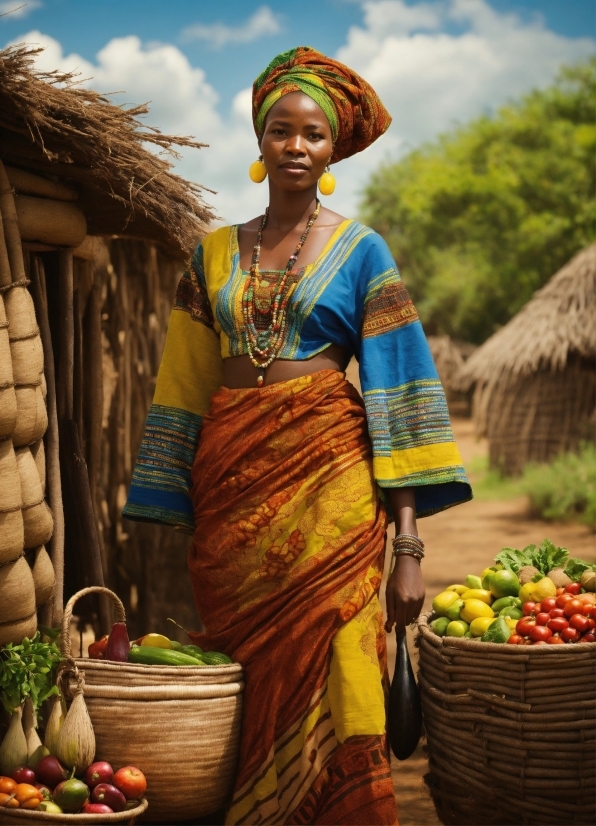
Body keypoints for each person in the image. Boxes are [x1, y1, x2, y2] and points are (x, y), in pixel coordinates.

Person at [124, 46, 471, 825]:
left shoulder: (362, 250)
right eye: (280, 130)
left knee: (345, 666)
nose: (295, 146)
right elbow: (183, 386)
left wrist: (408, 549)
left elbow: (399, 396)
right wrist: (170, 499)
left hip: (333, 494)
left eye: (312, 135)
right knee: (245, 673)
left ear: (333, 149)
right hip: (232, 503)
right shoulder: (212, 252)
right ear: (259, 140)